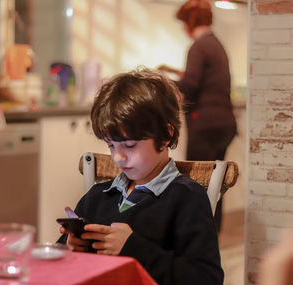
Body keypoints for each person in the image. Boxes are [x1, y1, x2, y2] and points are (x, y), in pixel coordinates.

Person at [57, 68, 223, 285]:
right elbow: (56, 266)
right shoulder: (97, 197)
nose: (118, 157)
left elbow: (206, 279)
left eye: (129, 145)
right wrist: (69, 249)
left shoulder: (187, 198)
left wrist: (133, 249)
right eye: (110, 145)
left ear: (165, 136)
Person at [158, 0, 237, 232]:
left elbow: (190, 86)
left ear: (190, 22)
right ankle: (213, 234)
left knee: (198, 183)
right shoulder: (216, 44)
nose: (183, 28)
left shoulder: (198, 46)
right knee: (216, 182)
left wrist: (162, 81)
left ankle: (198, 237)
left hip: (206, 124)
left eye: (183, 23)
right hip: (224, 124)